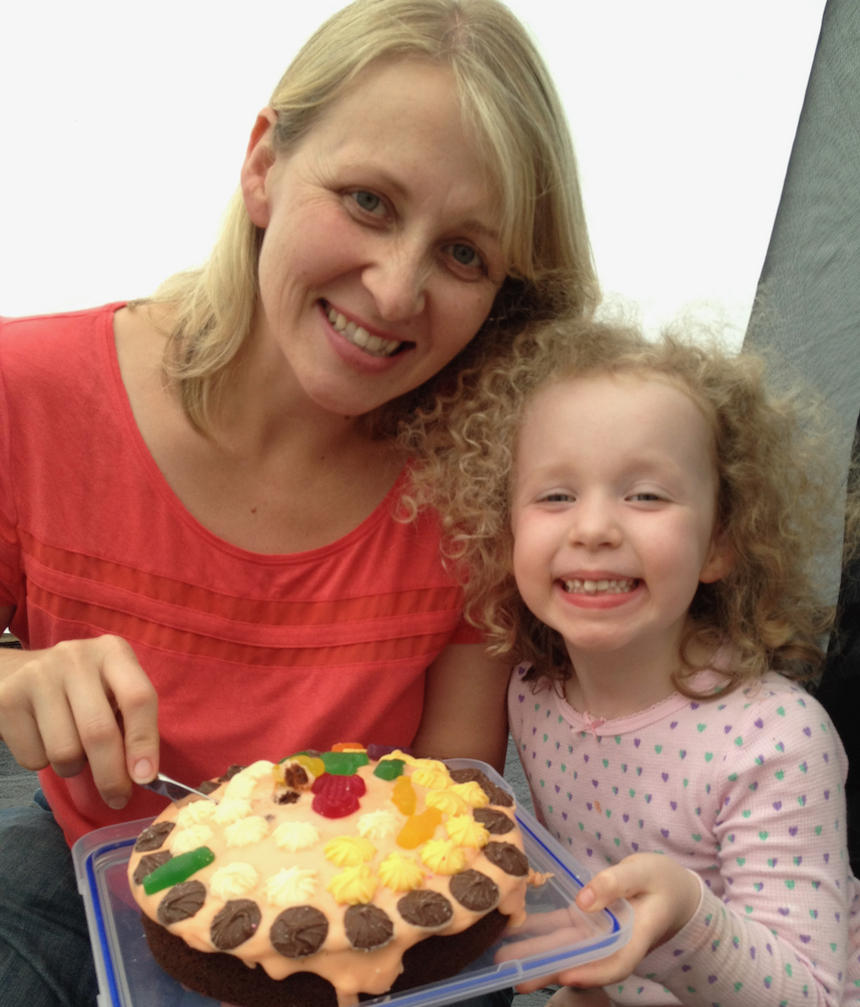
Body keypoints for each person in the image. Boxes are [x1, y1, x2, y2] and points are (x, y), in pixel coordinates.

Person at [0, 1, 597, 1004]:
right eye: (367, 200)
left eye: (463, 254)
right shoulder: (25, 390)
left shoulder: (481, 479)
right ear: (265, 163)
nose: (395, 287)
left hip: (362, 907)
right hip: (79, 859)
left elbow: (453, 794)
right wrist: (11, 677)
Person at [403, 315, 860, 1005]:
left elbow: (814, 995)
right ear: (507, 531)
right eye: (555, 495)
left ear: (720, 541)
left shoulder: (778, 742)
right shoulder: (533, 693)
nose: (592, 528)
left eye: (645, 494)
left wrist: (682, 912)